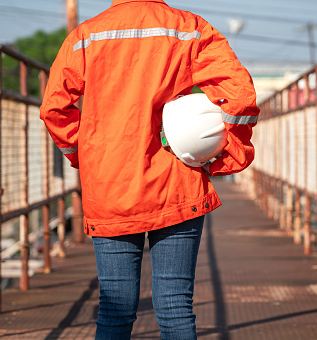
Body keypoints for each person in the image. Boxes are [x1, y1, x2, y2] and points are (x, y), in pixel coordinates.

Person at [40, 0, 259, 339]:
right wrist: (229, 154)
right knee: (174, 306)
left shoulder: (85, 35)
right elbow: (239, 98)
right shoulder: (190, 28)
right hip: (177, 183)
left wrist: (84, 158)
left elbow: (55, 108)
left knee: (115, 309)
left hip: (111, 186)